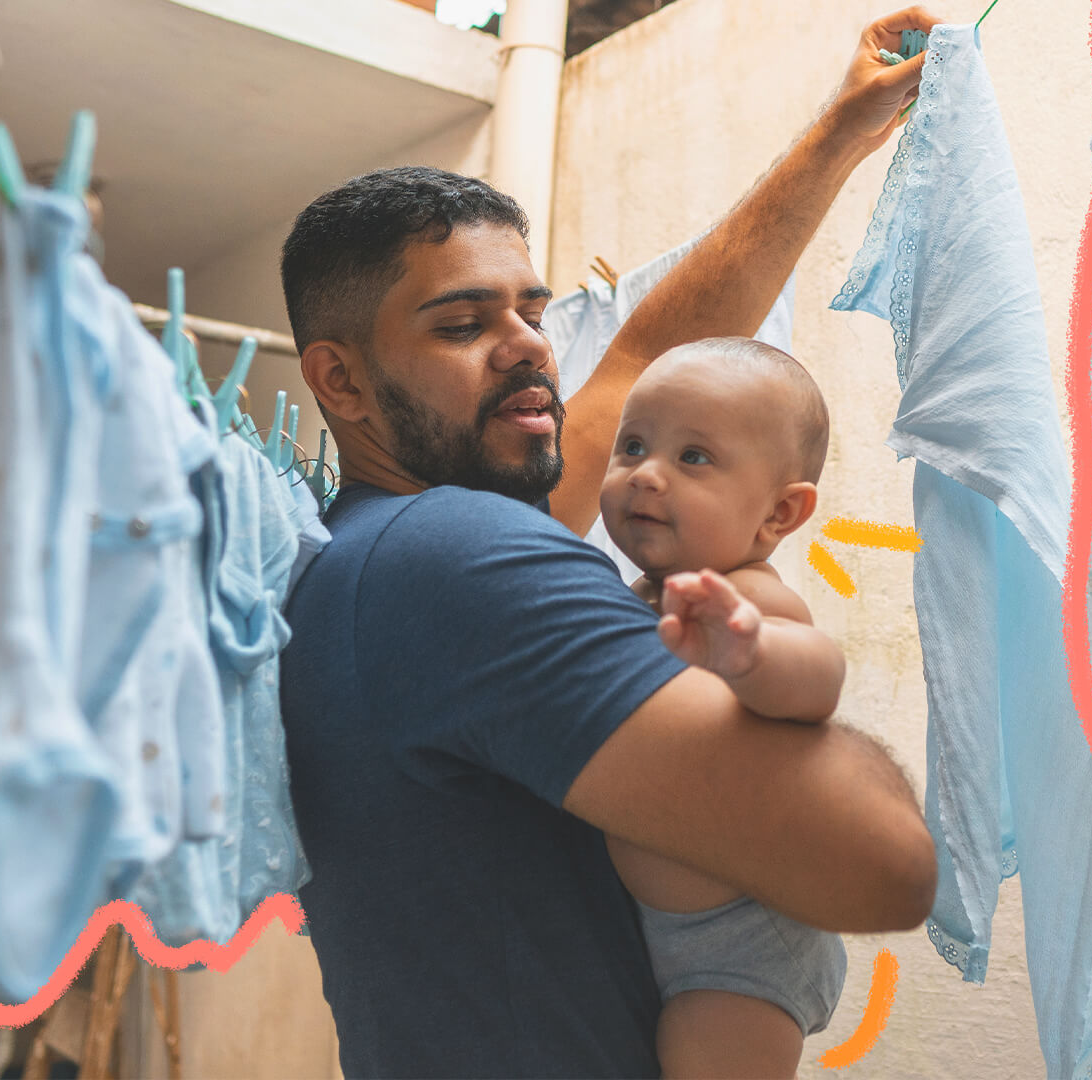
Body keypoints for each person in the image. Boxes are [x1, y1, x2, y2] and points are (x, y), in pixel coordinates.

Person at [277, 9, 942, 1076]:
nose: (531, 347)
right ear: (341, 380)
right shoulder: (461, 556)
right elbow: (887, 870)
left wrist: (839, 134)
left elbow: (640, 361)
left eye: (531, 312)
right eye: (463, 325)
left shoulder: (364, 555)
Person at [600, 337, 851, 1079]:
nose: (647, 474)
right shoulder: (626, 597)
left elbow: (821, 678)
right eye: (634, 445)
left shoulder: (750, 599)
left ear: (779, 513)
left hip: (741, 944)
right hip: (657, 930)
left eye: (694, 458)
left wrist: (752, 654)